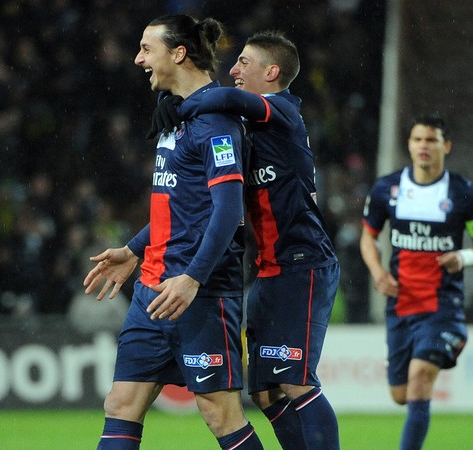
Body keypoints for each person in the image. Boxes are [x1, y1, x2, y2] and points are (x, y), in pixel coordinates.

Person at [150, 30, 341, 449]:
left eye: (244, 63)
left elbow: (229, 99)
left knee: (296, 383)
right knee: (265, 391)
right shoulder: (249, 127)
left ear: (271, 72)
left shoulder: (284, 110)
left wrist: (180, 103)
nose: (233, 70)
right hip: (269, 269)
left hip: (302, 263)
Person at [83, 14, 263, 450]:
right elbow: (179, 205)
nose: (138, 58)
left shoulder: (216, 123)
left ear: (178, 53)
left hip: (198, 293)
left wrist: (194, 277)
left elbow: (227, 211)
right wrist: (134, 249)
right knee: (121, 402)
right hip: (152, 289)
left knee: (219, 413)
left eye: (147, 49)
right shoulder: (177, 117)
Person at [360, 115, 470, 450]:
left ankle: (453, 335)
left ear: (445, 146)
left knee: (421, 377)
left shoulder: (462, 193)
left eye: (431, 140)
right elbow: (368, 238)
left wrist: (463, 257)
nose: (424, 146)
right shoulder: (387, 189)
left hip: (442, 305)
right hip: (401, 304)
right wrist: (378, 272)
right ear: (409, 144)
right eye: (418, 139)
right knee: (401, 395)